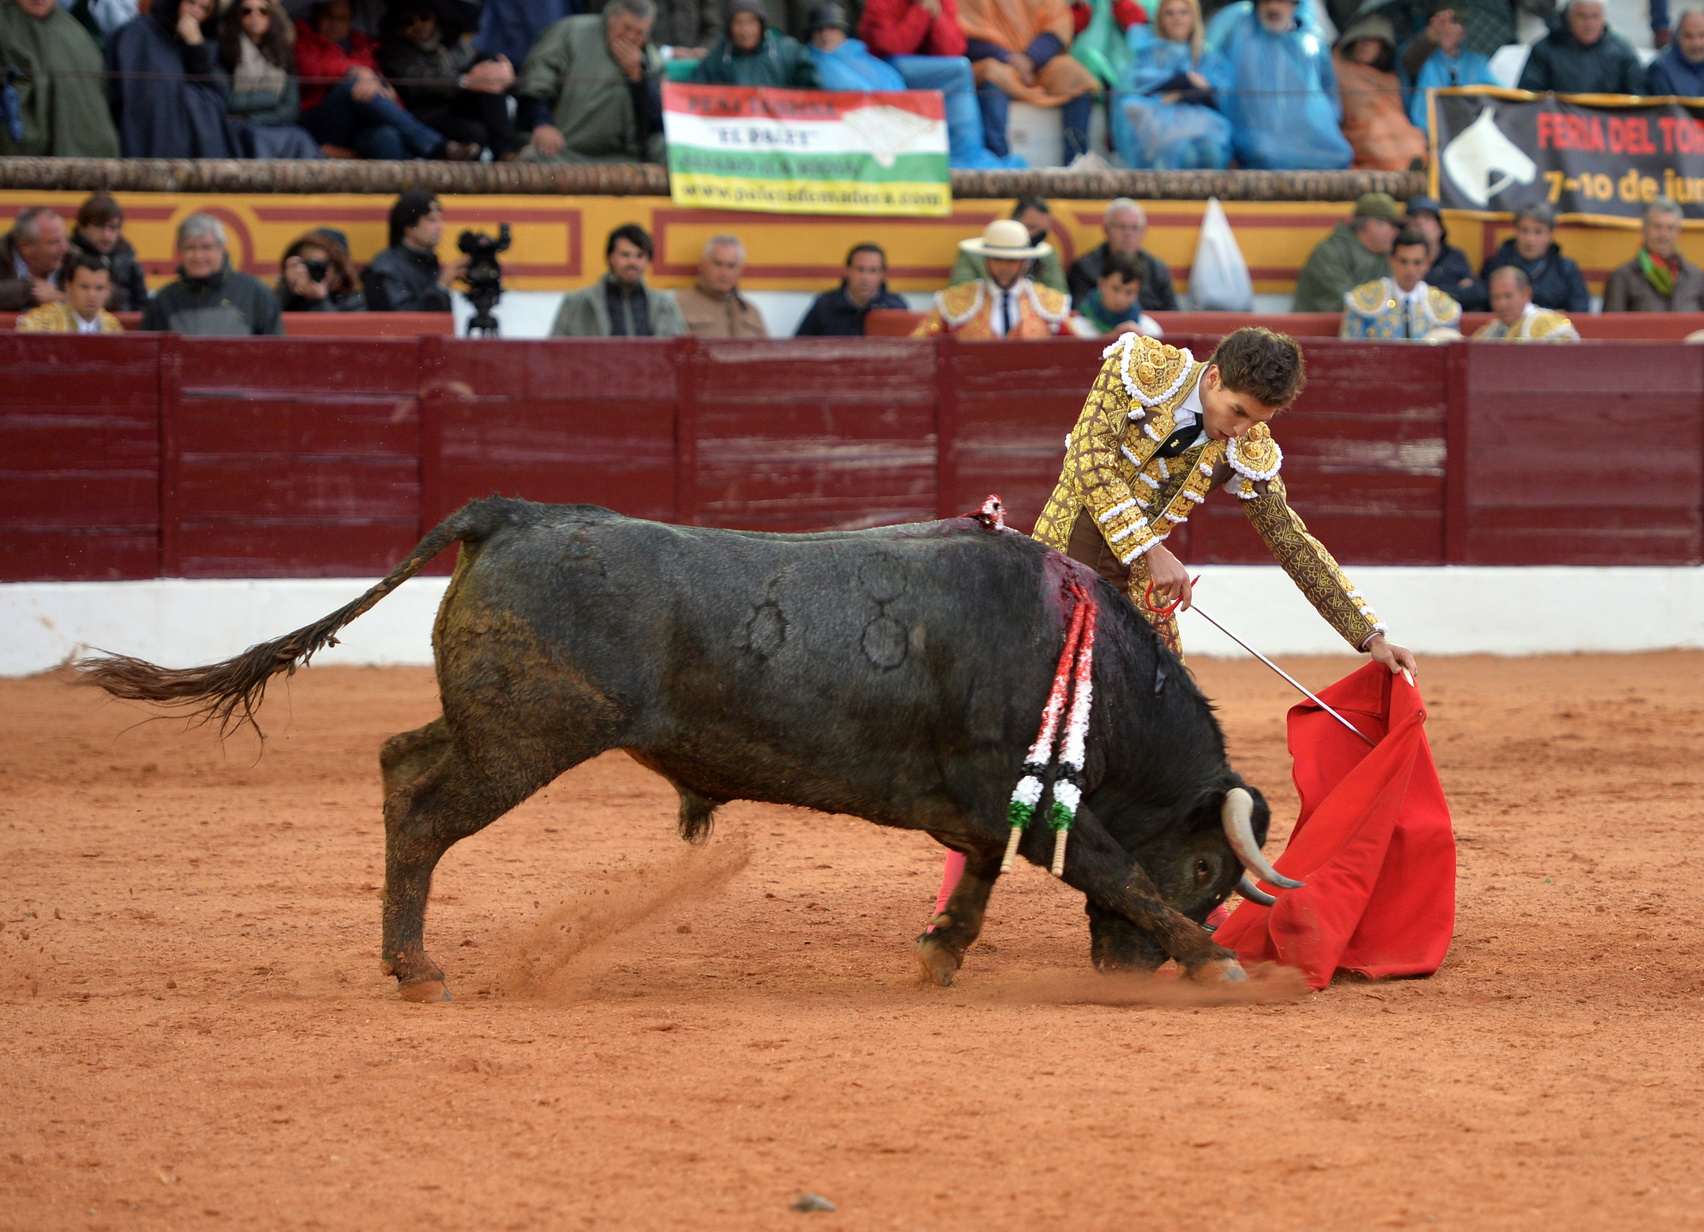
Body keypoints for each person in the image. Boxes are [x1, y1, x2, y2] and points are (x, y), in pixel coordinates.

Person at [924, 327, 1418, 936]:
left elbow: (1290, 537)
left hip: (1144, 598)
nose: (1239, 430)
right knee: (1015, 735)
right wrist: (1150, 549)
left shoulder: (1246, 442)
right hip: (1059, 576)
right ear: (1213, 377)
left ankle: (1196, 903)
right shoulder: (1139, 370)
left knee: (1168, 746)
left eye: (1254, 421)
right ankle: (953, 907)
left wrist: (1368, 633)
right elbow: (1090, 462)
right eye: (1237, 412)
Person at [295, 0, 473, 159]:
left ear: (351, 19)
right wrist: (356, 71)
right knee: (354, 85)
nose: (335, 23)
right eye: (328, 16)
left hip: (361, 124)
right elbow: (309, 68)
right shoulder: (301, 36)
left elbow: (379, 82)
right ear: (315, 15)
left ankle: (404, 184)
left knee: (386, 136)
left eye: (342, 18)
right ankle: (435, 146)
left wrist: (391, 97)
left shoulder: (363, 44)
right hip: (320, 120)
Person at [858, 0, 1026, 165]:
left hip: (928, 76)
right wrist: (922, 10)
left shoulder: (942, 2)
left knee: (962, 69)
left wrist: (937, 15)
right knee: (958, 71)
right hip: (884, 74)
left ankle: (969, 156)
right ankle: (964, 157)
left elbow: (953, 51)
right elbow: (893, 47)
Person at [516, 0, 666, 163]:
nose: (630, 37)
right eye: (626, 28)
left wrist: (638, 77)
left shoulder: (651, 59)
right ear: (611, 18)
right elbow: (535, 84)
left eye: (639, 33)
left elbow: (658, 120)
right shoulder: (572, 32)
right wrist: (541, 123)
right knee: (535, 157)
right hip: (563, 150)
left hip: (624, 157)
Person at [1208, 0, 1350, 171]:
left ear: (1295, 5)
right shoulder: (1237, 31)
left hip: (1311, 139)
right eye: (1266, 2)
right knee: (1264, 152)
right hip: (1255, 141)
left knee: (1340, 155)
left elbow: (1329, 91)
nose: (1273, 7)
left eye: (1281, 1)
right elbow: (1216, 79)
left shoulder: (1311, 40)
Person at [956, 0, 1097, 164]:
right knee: (992, 72)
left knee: (1075, 75)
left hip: (1038, 66)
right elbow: (966, 34)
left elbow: (1057, 27)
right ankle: (999, 162)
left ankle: (1077, 162)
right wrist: (1009, 59)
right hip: (996, 62)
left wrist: (1031, 59)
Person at [106, 0, 247, 158]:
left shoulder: (207, 41)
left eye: (204, 8)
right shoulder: (141, 31)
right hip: (152, 130)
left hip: (185, 134)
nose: (195, 11)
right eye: (191, 2)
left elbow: (217, 93)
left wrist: (196, 46)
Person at [379, 0, 517, 159]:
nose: (419, 25)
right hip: (428, 114)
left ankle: (506, 151)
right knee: (474, 131)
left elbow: (477, 72)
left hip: (459, 103)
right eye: (408, 22)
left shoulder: (452, 40)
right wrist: (463, 81)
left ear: (434, 17)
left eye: (424, 17)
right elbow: (418, 84)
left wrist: (503, 74)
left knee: (489, 59)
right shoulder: (396, 50)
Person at [1109, 0, 1231, 171]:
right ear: (1161, 19)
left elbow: (1219, 95)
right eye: (1170, 13)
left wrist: (1180, 94)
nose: (1177, 18)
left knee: (1212, 155)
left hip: (1207, 130)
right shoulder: (1147, 55)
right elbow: (1135, 91)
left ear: (1194, 17)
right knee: (1187, 157)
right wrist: (1186, 79)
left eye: (1183, 12)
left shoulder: (1208, 56)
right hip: (1160, 134)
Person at [912, 217, 1071, 337]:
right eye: (997, 259)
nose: (1004, 266)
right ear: (986, 260)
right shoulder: (955, 300)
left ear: (1024, 262)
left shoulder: (1047, 302)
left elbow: (1077, 350)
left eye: (1012, 260)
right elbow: (920, 345)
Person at [0, 0, 121, 157]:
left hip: (79, 159)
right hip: (16, 156)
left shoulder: (75, 34)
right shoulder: (5, 26)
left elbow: (96, 111)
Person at [141, 214, 283, 336]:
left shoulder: (255, 294)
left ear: (221, 248)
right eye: (190, 248)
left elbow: (274, 350)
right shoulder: (164, 301)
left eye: (206, 247)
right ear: (180, 252)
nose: (198, 256)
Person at [218, 0, 320, 158]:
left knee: (302, 138)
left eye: (262, 11)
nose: (255, 16)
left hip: (270, 123)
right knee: (257, 138)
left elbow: (291, 109)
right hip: (240, 128)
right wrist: (271, 98)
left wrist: (251, 116)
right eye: (247, 11)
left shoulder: (282, 53)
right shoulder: (226, 52)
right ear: (237, 16)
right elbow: (229, 101)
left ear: (271, 16)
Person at [550, 222, 689, 336]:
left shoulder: (664, 305)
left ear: (648, 260)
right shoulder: (579, 302)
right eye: (625, 255)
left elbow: (680, 351)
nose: (632, 262)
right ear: (609, 257)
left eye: (640, 256)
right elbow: (555, 351)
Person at [1332, 13, 1425, 171]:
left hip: (1401, 133)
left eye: (1373, 40)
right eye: (1360, 39)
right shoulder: (1338, 67)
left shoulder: (1392, 78)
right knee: (1378, 139)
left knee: (1412, 142)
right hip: (1362, 132)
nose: (1365, 45)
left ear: (1383, 48)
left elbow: (1413, 56)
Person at [1339, 227, 1462, 339]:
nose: (1410, 269)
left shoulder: (1443, 307)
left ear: (1427, 264)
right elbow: (1351, 350)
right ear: (1391, 260)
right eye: (1403, 261)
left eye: (1417, 262)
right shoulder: (1362, 300)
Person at [1291, 192, 1403, 312]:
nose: (1397, 232)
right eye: (1393, 225)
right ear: (1372, 225)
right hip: (1321, 323)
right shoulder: (1329, 253)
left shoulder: (1387, 256)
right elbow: (1345, 303)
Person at [1401, 3, 1498, 137]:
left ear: (1463, 32)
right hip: (1429, 134)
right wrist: (1430, 37)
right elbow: (1409, 62)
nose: (1446, 29)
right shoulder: (1424, 56)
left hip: (1471, 132)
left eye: (1454, 23)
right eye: (1441, 24)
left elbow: (1499, 90)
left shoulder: (1477, 61)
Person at [1066, 197, 1178, 312]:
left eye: (1135, 227)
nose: (1128, 234)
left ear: (1144, 231)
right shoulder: (1085, 268)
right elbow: (1079, 313)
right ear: (1106, 229)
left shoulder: (1158, 269)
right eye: (1121, 227)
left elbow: (1174, 315)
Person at [1480, 201, 1590, 314]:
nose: (1530, 239)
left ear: (1550, 235)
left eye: (1538, 232)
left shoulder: (1566, 269)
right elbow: (1485, 309)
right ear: (1515, 231)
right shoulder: (1496, 266)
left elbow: (1580, 310)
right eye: (1524, 230)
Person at [1517, 0, 1643, 95]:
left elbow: (1640, 97)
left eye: (1595, 16)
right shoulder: (1545, 50)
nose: (1589, 23)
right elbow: (1528, 97)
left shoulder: (1621, 50)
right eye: (1582, 16)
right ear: (1568, 17)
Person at [1603, 197, 1704, 312]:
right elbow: (1612, 322)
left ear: (1678, 232)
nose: (1664, 234)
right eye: (1657, 227)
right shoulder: (1622, 277)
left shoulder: (1696, 277)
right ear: (1643, 230)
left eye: (1670, 228)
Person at [951, 196, 1067, 293]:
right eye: (1031, 227)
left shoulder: (1046, 255)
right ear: (1012, 223)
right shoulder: (972, 255)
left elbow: (1057, 296)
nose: (1037, 235)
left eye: (1043, 231)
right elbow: (959, 296)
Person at [691, 0, 820, 84]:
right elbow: (694, 93)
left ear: (761, 25)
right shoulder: (717, 59)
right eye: (738, 23)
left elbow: (812, 90)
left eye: (751, 22)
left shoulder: (788, 52)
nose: (745, 30)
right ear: (729, 28)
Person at [795, 243, 910, 335]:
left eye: (873, 271)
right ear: (847, 271)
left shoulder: (896, 308)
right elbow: (800, 346)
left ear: (882, 274)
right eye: (860, 269)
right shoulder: (825, 305)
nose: (866, 278)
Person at [675, 234, 769, 337]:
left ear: (740, 270)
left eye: (731, 266)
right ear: (702, 265)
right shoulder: (678, 306)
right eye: (718, 264)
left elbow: (767, 347)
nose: (724, 273)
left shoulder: (750, 311)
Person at [1404, 194, 1485, 312]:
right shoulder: (1398, 257)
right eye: (1414, 217)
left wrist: (1433, 292)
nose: (1420, 222)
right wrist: (1454, 290)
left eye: (1427, 217)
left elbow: (1476, 294)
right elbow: (1406, 292)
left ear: (1440, 228)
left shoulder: (1455, 257)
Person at [70, 194, 148, 312]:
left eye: (113, 228)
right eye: (99, 226)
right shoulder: (70, 256)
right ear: (82, 228)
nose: (106, 235)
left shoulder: (128, 258)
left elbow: (143, 306)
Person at [16, 251, 123, 333]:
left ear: (107, 290)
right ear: (69, 287)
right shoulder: (40, 323)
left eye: (99, 288)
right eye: (84, 287)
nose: (92, 295)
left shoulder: (112, 327)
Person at [1067, 252, 1163, 338]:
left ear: (1138, 292)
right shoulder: (1075, 329)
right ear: (1101, 284)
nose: (1121, 299)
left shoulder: (1151, 332)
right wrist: (1112, 337)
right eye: (1115, 289)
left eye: (1129, 292)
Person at [1472, 267, 1580, 341]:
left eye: (1508, 296)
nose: (1501, 304)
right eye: (1496, 297)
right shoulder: (1490, 331)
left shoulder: (1550, 325)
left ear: (1526, 294)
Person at [276, 228, 366, 312]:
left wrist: (319, 300)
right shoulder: (287, 293)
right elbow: (271, 318)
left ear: (339, 270)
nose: (315, 271)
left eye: (321, 265)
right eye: (309, 264)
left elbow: (340, 324)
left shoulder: (352, 300)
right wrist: (288, 290)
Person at [0, 205, 69, 312]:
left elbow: (96, 295)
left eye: (64, 238)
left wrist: (62, 298)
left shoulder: (73, 257)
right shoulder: (3, 253)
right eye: (54, 242)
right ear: (25, 246)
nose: (64, 248)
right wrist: (29, 289)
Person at [1647, 6, 1704, 94]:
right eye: (1688, 36)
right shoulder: (1661, 70)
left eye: (1702, 35)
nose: (1696, 43)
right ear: (1678, 37)